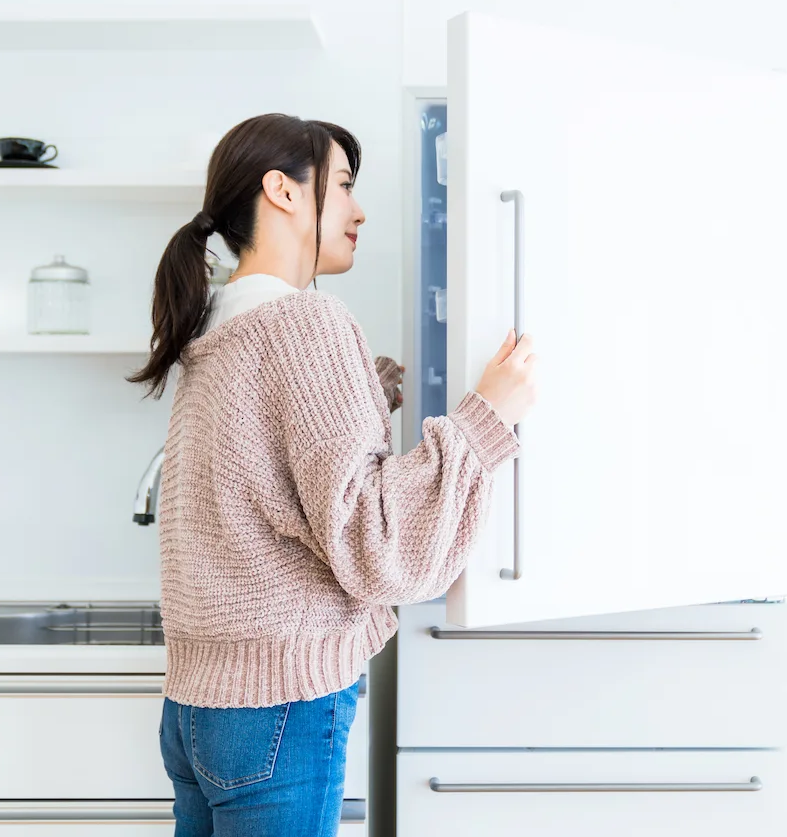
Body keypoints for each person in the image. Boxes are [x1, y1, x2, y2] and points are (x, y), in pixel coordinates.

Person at [129, 113, 537, 837]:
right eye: (344, 185)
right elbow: (376, 540)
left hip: (195, 711)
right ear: (283, 191)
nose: (359, 209)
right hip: (280, 705)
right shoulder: (307, 321)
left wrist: (362, 395)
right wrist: (486, 420)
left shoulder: (210, 327)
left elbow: (256, 469)